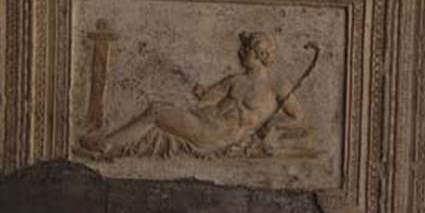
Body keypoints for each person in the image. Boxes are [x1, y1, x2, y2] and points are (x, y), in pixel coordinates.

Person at [80, 31, 307, 159]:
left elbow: (297, 117)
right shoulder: (234, 80)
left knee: (157, 110)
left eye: (245, 49)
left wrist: (274, 125)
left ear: (259, 52)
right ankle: (110, 143)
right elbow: (205, 99)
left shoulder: (277, 85)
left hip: (214, 134)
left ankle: (106, 144)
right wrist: (201, 92)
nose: (240, 53)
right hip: (203, 122)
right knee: (160, 107)